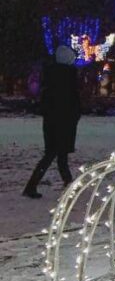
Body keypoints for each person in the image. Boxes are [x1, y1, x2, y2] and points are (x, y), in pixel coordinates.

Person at [24, 45, 82, 199]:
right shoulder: (68, 77)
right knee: (54, 154)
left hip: (52, 121)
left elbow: (47, 102)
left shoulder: (51, 76)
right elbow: (73, 100)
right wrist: (74, 114)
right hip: (63, 121)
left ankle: (68, 183)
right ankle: (32, 186)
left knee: (57, 154)